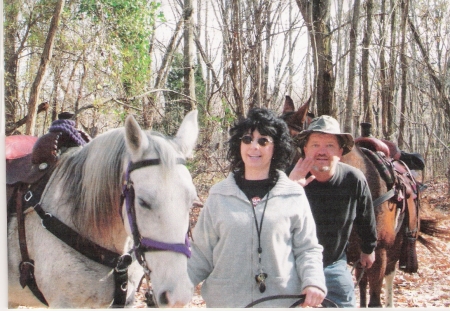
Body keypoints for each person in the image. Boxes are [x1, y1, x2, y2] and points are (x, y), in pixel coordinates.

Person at [187, 108, 327, 307]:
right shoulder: (218, 195)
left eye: (263, 141)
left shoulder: (293, 195)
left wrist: (313, 282)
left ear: (276, 147)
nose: (254, 147)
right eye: (247, 139)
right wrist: (179, 285)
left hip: (281, 301)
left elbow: (307, 249)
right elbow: (201, 253)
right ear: (238, 144)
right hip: (226, 302)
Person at [288, 115, 377, 307]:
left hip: (333, 264)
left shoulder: (353, 179)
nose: (322, 151)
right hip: (292, 268)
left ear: (340, 151)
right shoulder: (288, 178)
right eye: (315, 145)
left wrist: (368, 248)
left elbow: (365, 216)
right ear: (305, 149)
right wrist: (289, 188)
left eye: (329, 145)